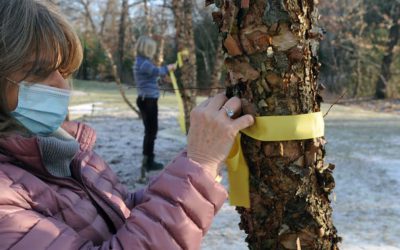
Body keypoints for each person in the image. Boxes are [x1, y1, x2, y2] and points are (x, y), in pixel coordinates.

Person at [0, 1, 254, 249]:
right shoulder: (5, 198)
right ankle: (148, 158)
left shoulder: (68, 151)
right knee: (150, 133)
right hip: (148, 99)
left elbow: (122, 210)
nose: (63, 86)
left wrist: (196, 164)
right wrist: (200, 164)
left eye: (64, 72)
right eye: (40, 70)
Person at [133, 36, 176, 179]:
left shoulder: (142, 62)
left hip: (147, 99)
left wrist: (161, 79)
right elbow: (157, 71)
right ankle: (147, 162)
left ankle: (149, 160)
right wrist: (168, 68)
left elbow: (153, 77)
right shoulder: (144, 63)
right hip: (148, 101)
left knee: (151, 131)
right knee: (151, 132)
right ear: (148, 49)